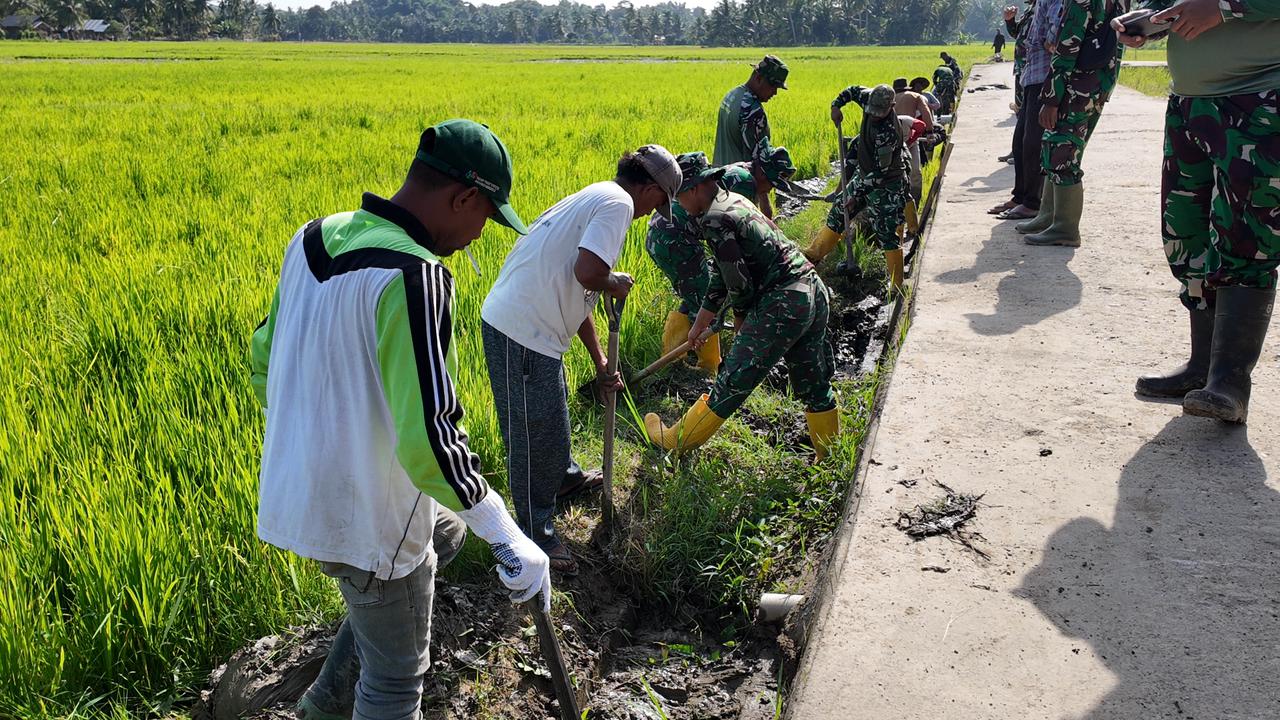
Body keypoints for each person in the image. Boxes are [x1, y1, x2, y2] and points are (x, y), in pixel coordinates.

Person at [251, 119, 552, 720]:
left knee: (445, 533)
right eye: (485, 218)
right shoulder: (418, 277)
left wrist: (328, 441)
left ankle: (322, 706)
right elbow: (430, 442)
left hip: (295, 489)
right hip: (370, 516)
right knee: (393, 684)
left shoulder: (312, 239)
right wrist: (506, 532)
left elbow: (265, 360)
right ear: (463, 198)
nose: (478, 235)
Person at [480, 145, 681, 574]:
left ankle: (564, 479)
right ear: (649, 189)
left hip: (530, 327)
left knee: (551, 416)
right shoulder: (619, 204)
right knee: (532, 435)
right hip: (521, 329)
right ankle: (534, 532)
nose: (653, 212)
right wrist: (615, 282)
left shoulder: (599, 194)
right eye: (659, 203)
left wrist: (600, 359)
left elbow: (581, 293)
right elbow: (589, 274)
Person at [1116, 0, 1280, 422]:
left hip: (1260, 99)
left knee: (1248, 237)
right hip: (1190, 103)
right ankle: (1202, 368)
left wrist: (1224, 7)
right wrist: (1150, 19)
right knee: (1185, 234)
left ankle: (1230, 383)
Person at [644, 153, 839, 460]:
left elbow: (738, 283)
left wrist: (741, 322)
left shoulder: (713, 219)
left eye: (678, 197)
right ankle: (829, 459)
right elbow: (723, 274)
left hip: (782, 303)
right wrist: (700, 323)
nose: (679, 205)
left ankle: (675, 441)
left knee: (732, 381)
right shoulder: (734, 200)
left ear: (694, 188)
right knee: (814, 382)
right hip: (811, 290)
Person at [1017, 0, 1122, 246]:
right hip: (1097, 82)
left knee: (1062, 153)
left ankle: (1064, 227)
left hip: (1076, 85)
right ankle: (1049, 216)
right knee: (1057, 149)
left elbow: (1068, 45)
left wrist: (1051, 99)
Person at [805, 84, 909, 291]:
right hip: (864, 174)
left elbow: (879, 173)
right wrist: (836, 106)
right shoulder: (868, 98)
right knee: (839, 210)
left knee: (886, 231)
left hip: (886, 184)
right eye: (872, 111)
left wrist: (856, 195)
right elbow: (851, 91)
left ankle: (896, 285)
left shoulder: (888, 132)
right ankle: (813, 256)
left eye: (879, 113)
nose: (875, 116)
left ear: (892, 106)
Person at [991, 0, 1059, 220]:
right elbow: (1021, 35)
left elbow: (1056, 38)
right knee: (1020, 142)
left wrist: (1046, 44)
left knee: (1033, 144)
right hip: (1030, 77)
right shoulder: (1034, 7)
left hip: (1045, 78)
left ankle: (1033, 202)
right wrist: (1010, 22)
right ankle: (1020, 196)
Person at [714, 55, 790, 218]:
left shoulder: (732, 95)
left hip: (718, 180)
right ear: (758, 78)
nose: (775, 92)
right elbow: (761, 166)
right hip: (740, 188)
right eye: (773, 86)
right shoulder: (752, 110)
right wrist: (767, 216)